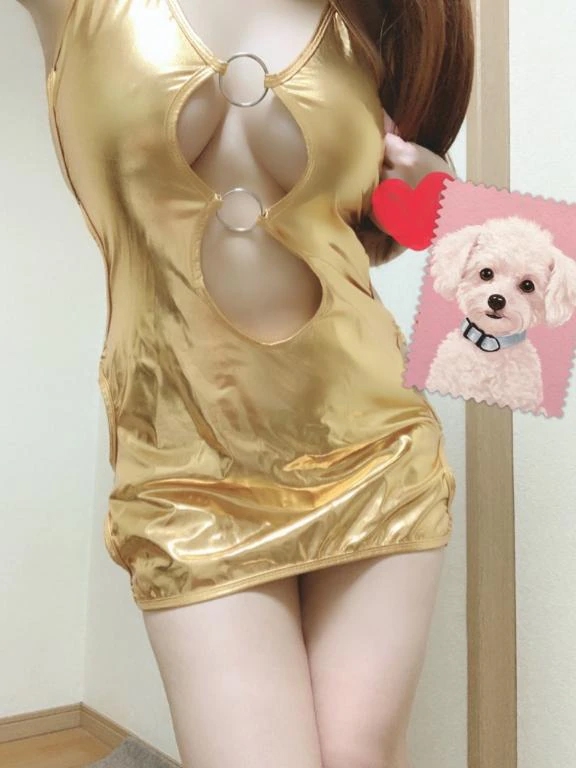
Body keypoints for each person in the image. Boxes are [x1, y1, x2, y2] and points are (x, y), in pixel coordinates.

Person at [16, 1, 473, 766]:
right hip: (190, 476)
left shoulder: (358, 27)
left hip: (374, 447)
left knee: (359, 754)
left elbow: (388, 231)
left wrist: (429, 180)